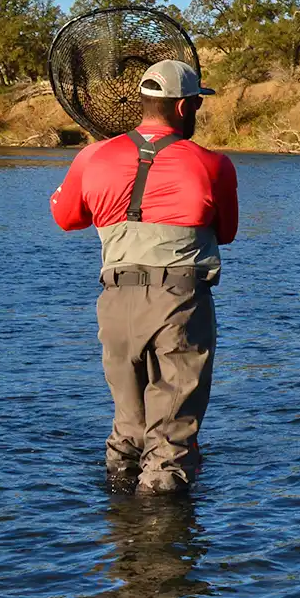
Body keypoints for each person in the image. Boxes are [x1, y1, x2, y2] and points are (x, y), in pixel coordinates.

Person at [49, 60, 238, 493]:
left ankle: (119, 529)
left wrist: (98, 170)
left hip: (116, 303)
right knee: (171, 439)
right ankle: (163, 546)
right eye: (196, 106)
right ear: (185, 106)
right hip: (181, 302)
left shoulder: (93, 155)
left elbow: (65, 217)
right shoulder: (214, 165)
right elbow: (225, 233)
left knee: (128, 426)